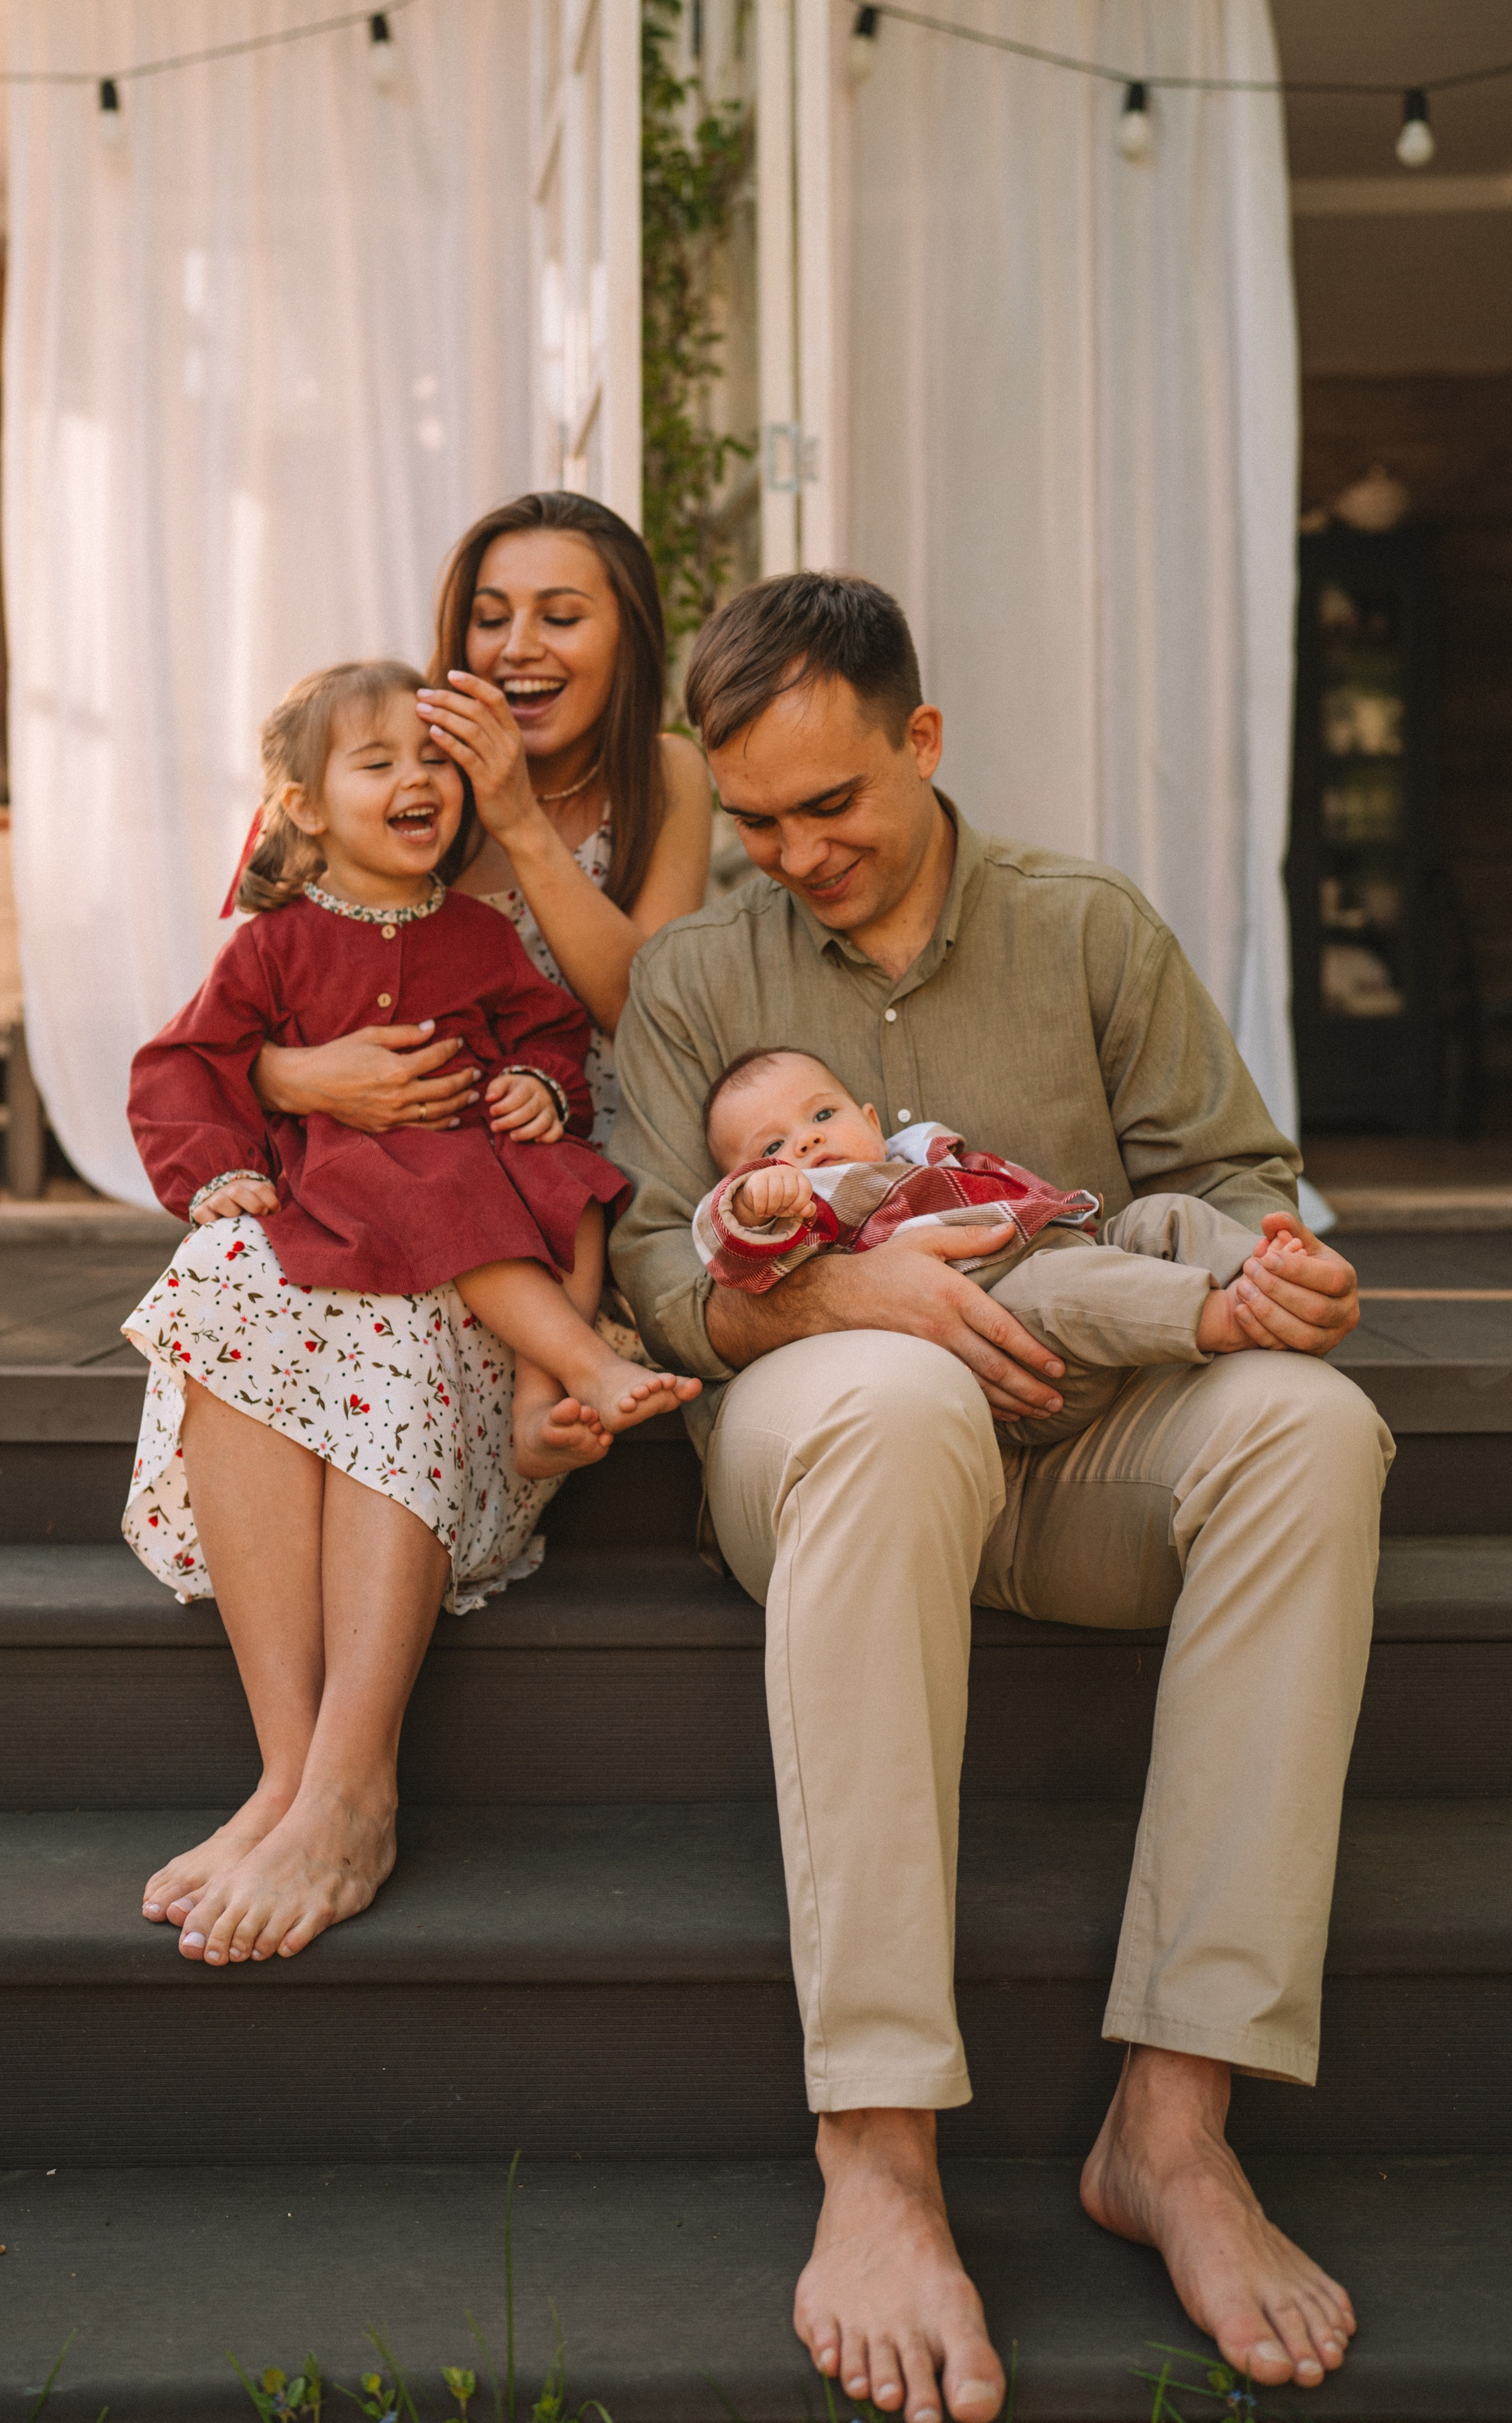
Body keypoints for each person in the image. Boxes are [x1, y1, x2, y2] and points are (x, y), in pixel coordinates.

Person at [607, 572, 1389, 2416]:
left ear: (922, 740)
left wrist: (1281, 1271)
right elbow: (647, 1262)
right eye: (757, 822)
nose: (794, 851)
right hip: (836, 1447)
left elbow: (1238, 1175)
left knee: (1312, 1428)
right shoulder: (692, 977)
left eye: (833, 804)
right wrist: (820, 1285)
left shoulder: (1088, 927)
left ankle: (1174, 2126)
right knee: (886, 1391)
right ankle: (875, 2151)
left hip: (1083, 1448)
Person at [122, 661, 698, 1972]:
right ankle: (287, 1778)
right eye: (376, 762)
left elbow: (550, 1029)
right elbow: (182, 1066)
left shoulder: (482, 931)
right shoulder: (271, 944)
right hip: (325, 1218)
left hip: (455, 1233)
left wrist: (543, 1093)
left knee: (422, 1256)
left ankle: (349, 1789)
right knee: (219, 1286)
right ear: (305, 807)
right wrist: (215, 1168)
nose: (416, 782)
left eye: (427, 760)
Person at [248, 492, 713, 1149]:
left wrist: (518, 819)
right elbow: (248, 992)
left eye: (559, 617)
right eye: (491, 619)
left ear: (627, 632)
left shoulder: (666, 773)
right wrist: (285, 1077)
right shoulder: (402, 782)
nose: (518, 648)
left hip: (607, 1167)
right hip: (404, 1166)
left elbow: (647, 1014)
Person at [695, 1045, 1314, 1446]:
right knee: (1057, 1288)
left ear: (873, 1121)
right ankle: (1224, 1318)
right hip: (1015, 1349)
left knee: (1159, 1217)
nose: (802, 1144)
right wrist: (752, 1206)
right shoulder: (811, 1209)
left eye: (822, 1116)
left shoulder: (919, 1155)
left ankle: (1264, 1277)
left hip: (1075, 1252)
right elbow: (729, 1254)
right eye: (770, 1148)